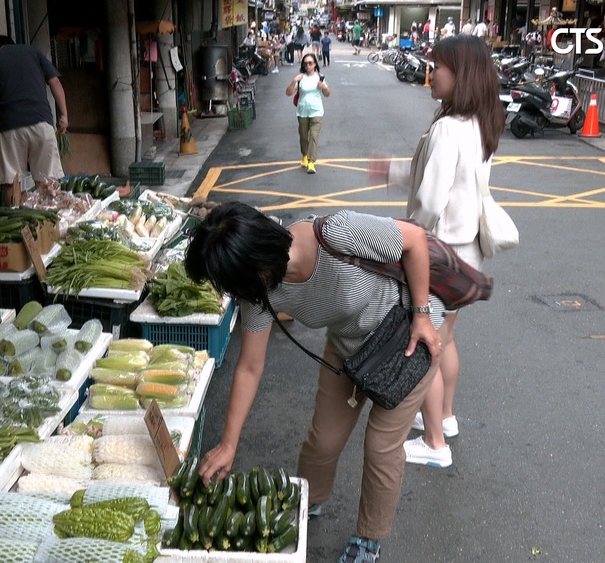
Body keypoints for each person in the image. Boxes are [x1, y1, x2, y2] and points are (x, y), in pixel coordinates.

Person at [183, 202, 445, 563]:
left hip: (406, 337)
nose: (234, 295)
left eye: (233, 284)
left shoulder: (338, 233)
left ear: (256, 262)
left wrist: (422, 316)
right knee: (324, 438)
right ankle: (309, 498)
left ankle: (368, 539)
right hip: (349, 348)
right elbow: (249, 366)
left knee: (382, 446)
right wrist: (228, 444)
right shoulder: (259, 292)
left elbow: (415, 240)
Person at [372, 34, 504, 467]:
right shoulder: (480, 123)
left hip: (437, 254)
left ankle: (433, 444)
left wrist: (409, 241)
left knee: (424, 342)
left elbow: (430, 200)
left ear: (460, 73)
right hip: (466, 254)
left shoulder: (448, 128)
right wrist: (391, 171)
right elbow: (441, 178)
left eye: (439, 66)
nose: (431, 73)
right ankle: (445, 418)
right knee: (444, 339)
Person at [0, 36, 68, 188]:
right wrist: (64, 116)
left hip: (11, 128)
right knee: (46, 180)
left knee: (12, 181)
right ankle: (49, 210)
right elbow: (55, 82)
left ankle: (15, 209)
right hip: (41, 122)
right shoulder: (33, 52)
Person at [285, 54, 330, 175]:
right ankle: (304, 155)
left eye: (310, 63)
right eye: (305, 63)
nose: (308, 65)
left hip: (317, 111)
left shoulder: (320, 77)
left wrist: (324, 87)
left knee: (314, 136)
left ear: (315, 64)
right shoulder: (301, 78)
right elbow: (288, 93)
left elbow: (327, 94)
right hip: (302, 112)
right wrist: (294, 80)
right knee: (304, 137)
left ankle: (311, 162)